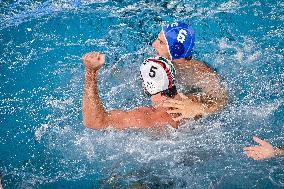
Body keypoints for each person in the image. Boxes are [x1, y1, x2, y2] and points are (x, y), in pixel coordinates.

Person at [82, 52, 182, 129]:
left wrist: (90, 71)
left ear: (147, 85)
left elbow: (94, 122)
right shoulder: (190, 103)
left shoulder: (144, 117)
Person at [152, 22, 228, 121]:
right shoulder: (157, 61)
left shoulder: (199, 72)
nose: (153, 44)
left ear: (176, 49)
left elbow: (222, 100)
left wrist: (197, 108)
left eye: (161, 42)